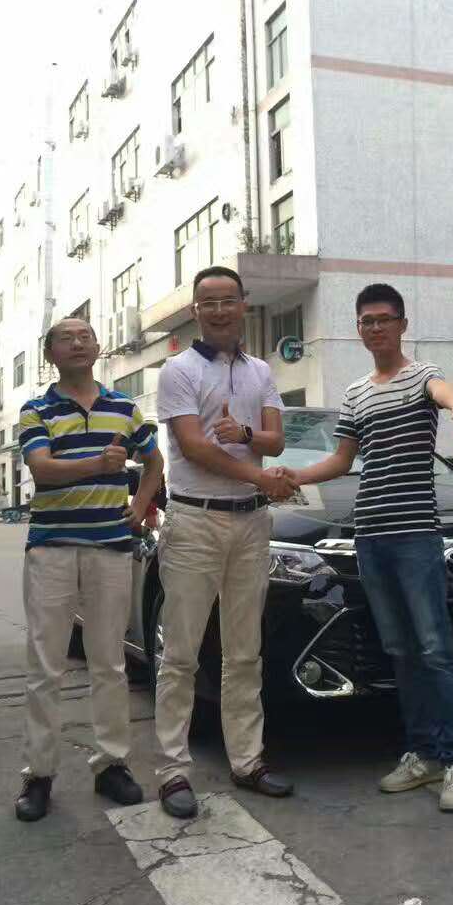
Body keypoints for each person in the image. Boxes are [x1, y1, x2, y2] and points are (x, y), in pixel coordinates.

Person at [280, 283, 453, 812]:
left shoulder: (422, 375)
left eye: (383, 319)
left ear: (401, 325)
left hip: (416, 535)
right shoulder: (356, 393)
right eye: (366, 321)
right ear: (359, 328)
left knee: (436, 648)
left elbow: (446, 393)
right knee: (400, 651)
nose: (375, 328)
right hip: (370, 535)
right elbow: (342, 459)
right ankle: (422, 752)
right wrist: (293, 476)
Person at [154, 266, 297, 820]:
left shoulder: (261, 370)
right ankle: (172, 770)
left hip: (251, 523)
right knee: (181, 652)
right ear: (195, 310)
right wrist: (260, 474)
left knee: (244, 651)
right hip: (195, 520)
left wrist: (248, 436)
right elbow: (193, 447)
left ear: (243, 305)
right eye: (207, 301)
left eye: (227, 300)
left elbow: (276, 439)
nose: (218, 310)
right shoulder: (178, 370)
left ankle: (247, 760)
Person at [15, 316, 164, 822]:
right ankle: (39, 774)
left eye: (85, 336)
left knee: (109, 662)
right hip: (52, 548)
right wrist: (99, 466)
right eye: (65, 338)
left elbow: (155, 462)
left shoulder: (124, 407)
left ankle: (111, 765)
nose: (77, 343)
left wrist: (140, 505)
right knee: (46, 665)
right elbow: (41, 467)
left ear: (98, 347)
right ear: (50, 355)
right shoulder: (36, 410)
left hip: (110, 548)